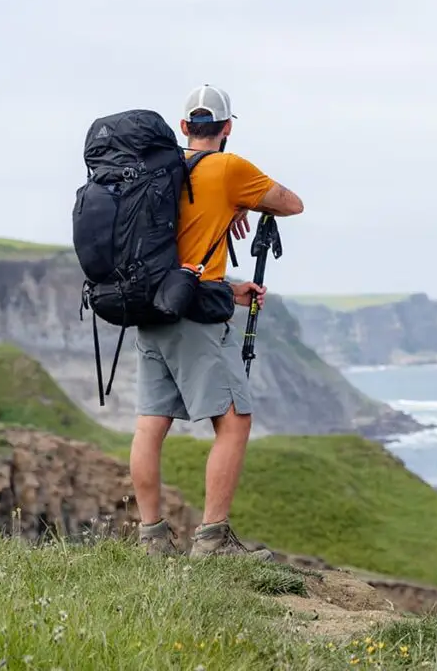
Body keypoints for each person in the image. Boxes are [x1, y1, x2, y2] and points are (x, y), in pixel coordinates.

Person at [130, 84, 304, 558]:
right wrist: (243, 201)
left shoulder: (157, 170)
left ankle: (151, 539)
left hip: (150, 308)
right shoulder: (230, 169)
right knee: (234, 421)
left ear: (184, 127)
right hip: (194, 320)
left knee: (151, 424)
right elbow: (291, 203)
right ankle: (212, 540)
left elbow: (175, 253)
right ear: (227, 128)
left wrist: (230, 287)